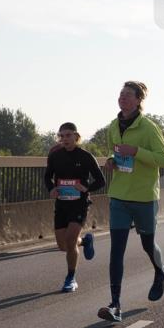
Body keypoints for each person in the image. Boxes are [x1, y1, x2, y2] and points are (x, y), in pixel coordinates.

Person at [98, 81, 164, 323]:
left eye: (128, 95)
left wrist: (137, 151)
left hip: (144, 197)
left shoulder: (149, 127)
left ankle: (160, 270)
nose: (122, 98)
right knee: (116, 251)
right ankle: (115, 305)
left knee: (147, 244)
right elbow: (116, 153)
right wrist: (111, 160)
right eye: (120, 94)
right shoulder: (113, 125)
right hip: (119, 194)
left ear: (139, 100)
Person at [44, 122, 105, 292]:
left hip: (79, 204)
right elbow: (47, 177)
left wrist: (86, 188)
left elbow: (101, 181)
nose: (64, 139)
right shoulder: (56, 156)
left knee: (70, 241)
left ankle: (71, 278)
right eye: (61, 136)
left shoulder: (85, 156)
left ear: (76, 137)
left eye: (68, 135)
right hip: (62, 204)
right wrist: (52, 189)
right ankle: (85, 241)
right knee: (63, 246)